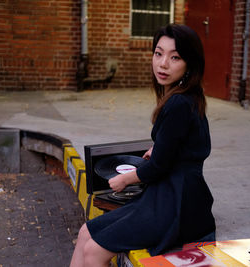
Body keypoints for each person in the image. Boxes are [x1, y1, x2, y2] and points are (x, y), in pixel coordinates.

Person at [70, 24, 216, 267]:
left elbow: (158, 167)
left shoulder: (178, 103)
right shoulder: (187, 97)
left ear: (190, 63)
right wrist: (159, 147)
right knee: (86, 231)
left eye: (175, 57)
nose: (163, 64)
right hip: (170, 194)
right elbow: (185, 146)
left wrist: (125, 180)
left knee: (94, 250)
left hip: (175, 205)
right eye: (158, 53)